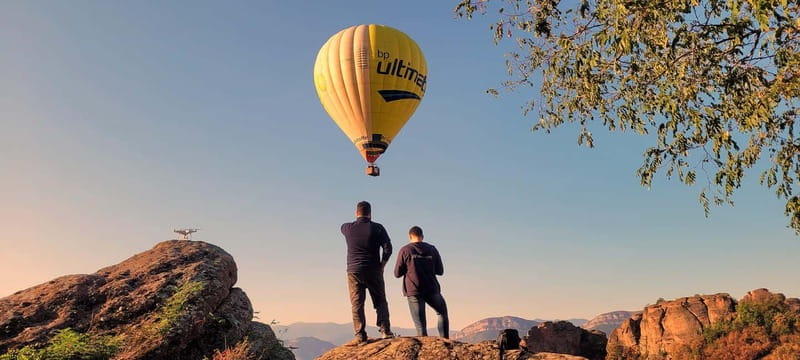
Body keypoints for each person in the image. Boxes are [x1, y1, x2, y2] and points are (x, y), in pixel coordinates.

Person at [341, 201, 395, 345]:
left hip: (354, 271)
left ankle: (360, 335)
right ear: (370, 213)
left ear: (356, 213)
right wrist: (382, 265)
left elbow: (342, 228)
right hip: (373, 269)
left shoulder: (347, 228)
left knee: (357, 304)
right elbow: (388, 248)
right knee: (380, 301)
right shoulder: (377, 228)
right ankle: (385, 330)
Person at [394, 226, 449, 338]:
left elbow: (397, 273)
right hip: (431, 288)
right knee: (441, 313)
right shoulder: (432, 249)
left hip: (414, 290)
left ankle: (424, 343)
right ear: (422, 236)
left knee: (420, 327)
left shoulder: (405, 250)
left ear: (410, 237)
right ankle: (445, 340)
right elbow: (440, 271)